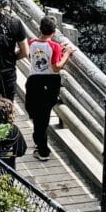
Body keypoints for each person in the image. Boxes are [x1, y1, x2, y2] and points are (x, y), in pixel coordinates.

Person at [21, 17, 69, 160]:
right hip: (50, 83)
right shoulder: (55, 46)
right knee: (43, 116)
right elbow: (56, 67)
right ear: (54, 32)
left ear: (40, 29)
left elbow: (32, 55)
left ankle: (42, 148)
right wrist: (66, 53)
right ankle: (42, 149)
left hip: (34, 81)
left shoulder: (32, 43)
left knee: (36, 115)